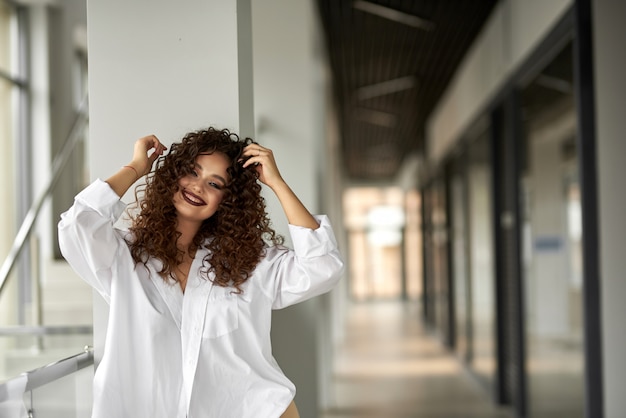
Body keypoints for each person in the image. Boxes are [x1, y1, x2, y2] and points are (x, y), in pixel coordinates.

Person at [58, 127, 344, 418]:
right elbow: (76, 226)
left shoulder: (248, 265)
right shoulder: (124, 257)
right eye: (192, 172)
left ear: (228, 200)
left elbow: (322, 268)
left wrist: (277, 184)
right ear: (173, 175)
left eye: (215, 183)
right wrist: (136, 167)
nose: (198, 186)